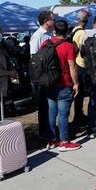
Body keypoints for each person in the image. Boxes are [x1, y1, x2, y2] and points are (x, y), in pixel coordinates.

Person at [43, 20, 82, 151]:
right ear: (66, 31)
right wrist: (76, 83)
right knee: (63, 114)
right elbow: (72, 65)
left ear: (54, 30)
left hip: (49, 83)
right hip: (64, 83)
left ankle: (52, 140)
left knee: (51, 113)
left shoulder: (46, 43)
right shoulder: (68, 46)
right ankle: (64, 141)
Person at [30, 11, 55, 139]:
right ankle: (43, 129)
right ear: (46, 21)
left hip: (51, 74)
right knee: (43, 104)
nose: (54, 20)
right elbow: (33, 58)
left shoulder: (51, 34)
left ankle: (50, 126)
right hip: (42, 76)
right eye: (52, 18)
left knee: (50, 103)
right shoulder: (38, 36)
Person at [70, 9, 91, 134]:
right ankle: (79, 115)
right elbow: (83, 49)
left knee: (79, 92)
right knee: (81, 92)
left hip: (75, 63)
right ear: (86, 20)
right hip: (80, 64)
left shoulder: (74, 30)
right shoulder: (82, 33)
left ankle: (78, 113)